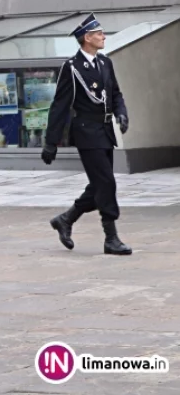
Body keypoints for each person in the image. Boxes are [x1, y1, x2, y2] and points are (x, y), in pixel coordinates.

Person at [43, 13, 131, 255]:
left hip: (105, 132)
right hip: (86, 132)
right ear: (87, 38)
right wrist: (51, 142)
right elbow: (59, 105)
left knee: (99, 184)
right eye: (99, 33)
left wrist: (121, 113)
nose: (104, 36)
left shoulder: (105, 63)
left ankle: (66, 219)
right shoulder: (72, 68)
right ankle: (111, 238)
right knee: (106, 182)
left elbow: (116, 94)